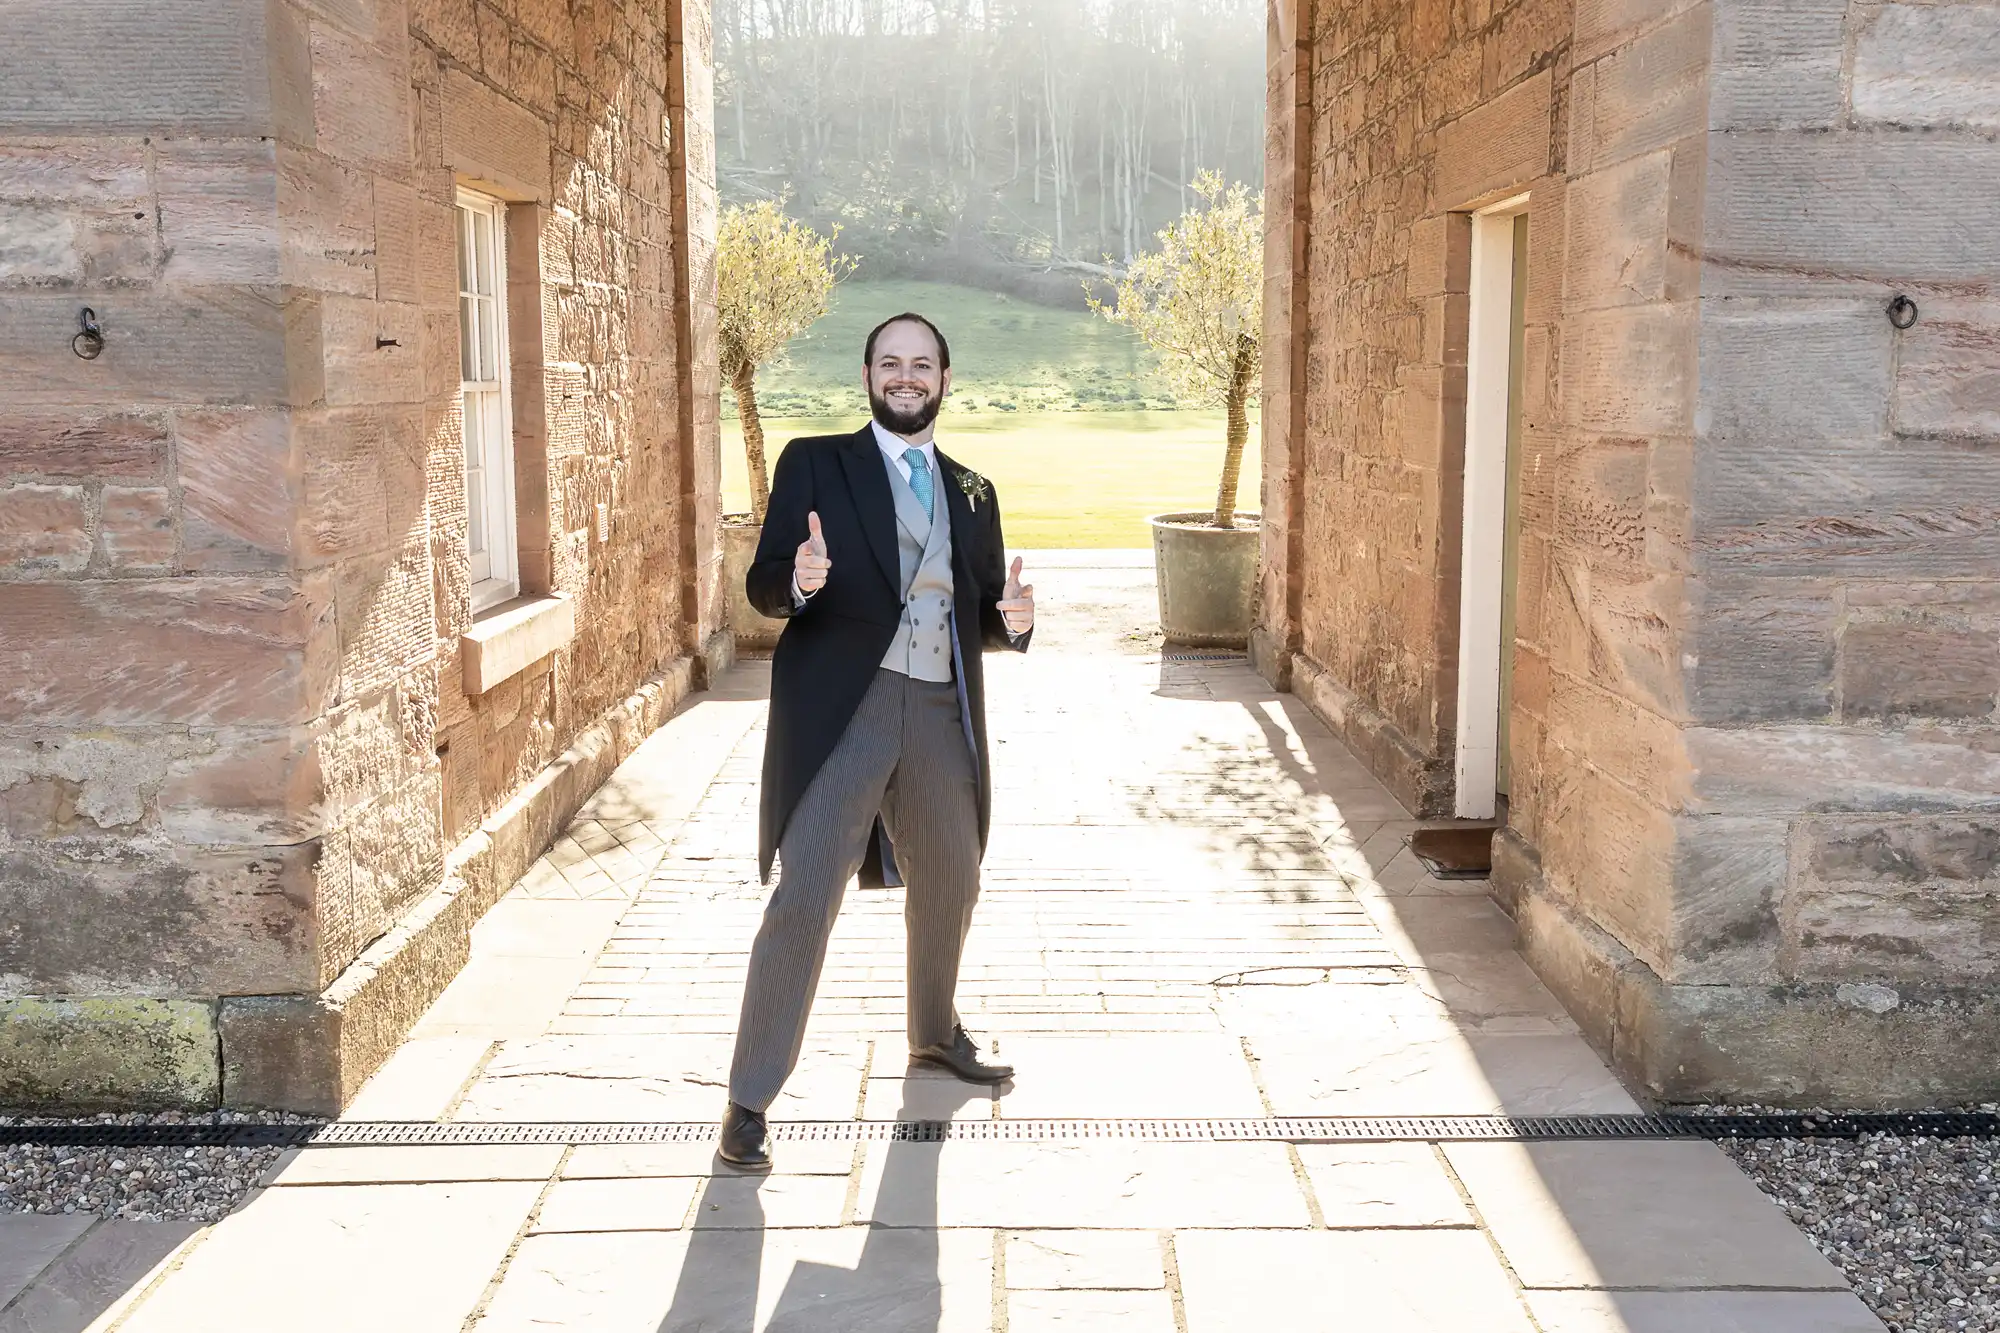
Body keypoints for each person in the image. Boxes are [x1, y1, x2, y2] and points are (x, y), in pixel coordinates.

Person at [718, 312, 1036, 1169]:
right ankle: (748, 1099)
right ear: (867, 376)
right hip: (846, 709)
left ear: (943, 379)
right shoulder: (815, 463)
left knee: (954, 876)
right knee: (805, 893)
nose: (906, 376)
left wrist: (1012, 623)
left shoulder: (974, 491)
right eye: (890, 363)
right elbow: (762, 586)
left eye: (921, 364)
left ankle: (934, 1036)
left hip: (939, 708)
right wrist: (798, 578)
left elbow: (976, 611)